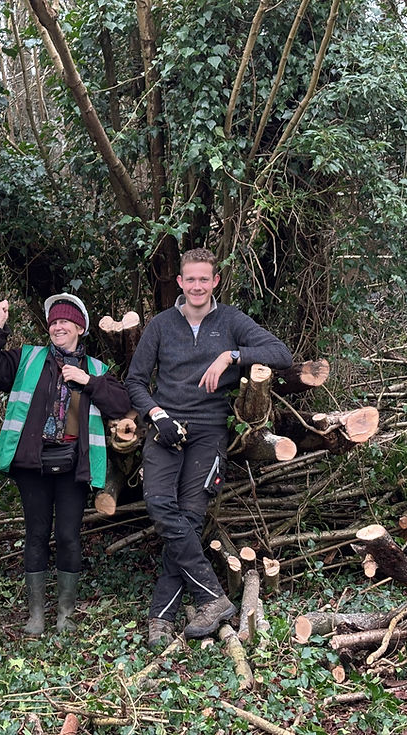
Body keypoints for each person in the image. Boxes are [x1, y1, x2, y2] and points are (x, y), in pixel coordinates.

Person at [125, 248, 293, 647]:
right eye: (190, 279)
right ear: (180, 283)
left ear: (215, 281)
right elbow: (134, 381)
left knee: (189, 516)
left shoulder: (231, 320)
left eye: (205, 279)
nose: (197, 286)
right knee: (160, 506)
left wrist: (233, 355)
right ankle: (212, 597)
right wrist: (157, 415)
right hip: (167, 428)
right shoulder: (161, 325)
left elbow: (282, 355)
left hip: (208, 432)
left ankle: (161, 619)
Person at [0, 293, 131, 634]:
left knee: (68, 536)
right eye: (53, 322)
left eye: (65, 321)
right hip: (32, 465)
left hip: (73, 468)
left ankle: (66, 615)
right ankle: (36, 616)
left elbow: (120, 404)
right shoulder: (30, 359)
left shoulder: (96, 369)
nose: (58, 326)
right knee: (35, 535)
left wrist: (85, 381)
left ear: (79, 328)